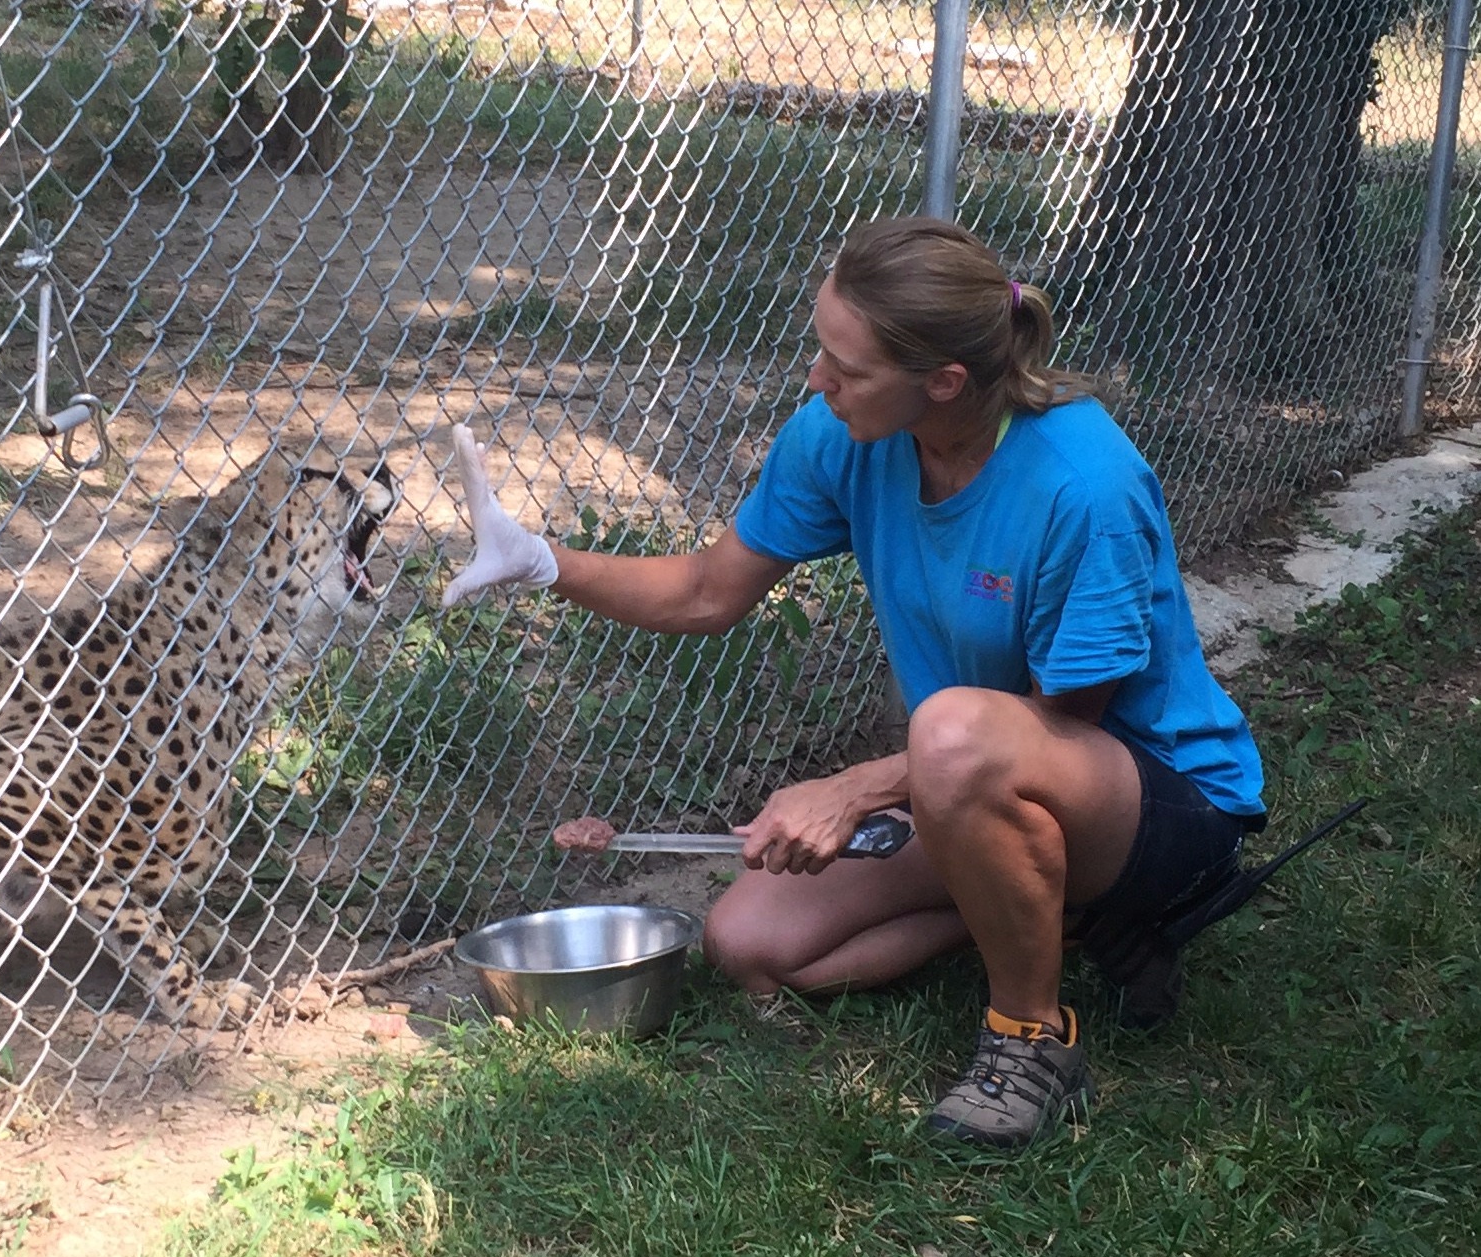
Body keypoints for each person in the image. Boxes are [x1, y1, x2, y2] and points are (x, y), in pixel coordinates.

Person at [439, 216, 1267, 1148]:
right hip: (973, 776)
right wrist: (543, 561)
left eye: (846, 365)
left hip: (1155, 798)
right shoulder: (843, 432)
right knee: (751, 944)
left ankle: (1030, 1037)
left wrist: (855, 788)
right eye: (819, 348)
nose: (817, 379)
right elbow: (710, 591)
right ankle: (1053, 915)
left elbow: (1058, 723)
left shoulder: (1085, 484)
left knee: (952, 733)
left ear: (943, 383)